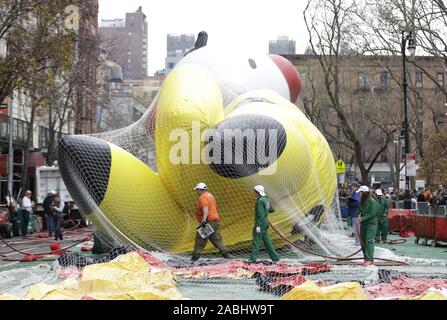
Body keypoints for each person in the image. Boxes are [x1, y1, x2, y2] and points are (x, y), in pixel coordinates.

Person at [191, 183, 230, 261]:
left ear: (200, 190)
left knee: (200, 238)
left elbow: (205, 208)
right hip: (215, 221)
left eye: (197, 190)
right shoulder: (210, 195)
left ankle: (194, 258)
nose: (197, 192)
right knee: (216, 239)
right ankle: (227, 255)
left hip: (209, 222)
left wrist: (203, 220)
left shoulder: (202, 198)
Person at [248, 185, 280, 263]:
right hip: (265, 222)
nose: (254, 193)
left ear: (257, 192)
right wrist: (266, 211)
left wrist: (258, 225)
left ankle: (252, 259)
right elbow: (272, 210)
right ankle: (275, 258)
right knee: (267, 241)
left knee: (256, 241)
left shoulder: (259, 201)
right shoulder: (266, 199)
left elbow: (260, 214)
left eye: (254, 192)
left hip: (260, 223)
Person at [357, 186, 380, 265]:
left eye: (360, 193)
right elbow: (360, 210)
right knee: (363, 241)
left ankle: (369, 259)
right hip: (364, 224)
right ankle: (365, 258)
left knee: (369, 241)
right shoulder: (362, 201)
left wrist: (362, 218)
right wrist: (359, 214)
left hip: (371, 224)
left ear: (363, 193)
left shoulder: (372, 202)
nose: (359, 194)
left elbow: (372, 214)